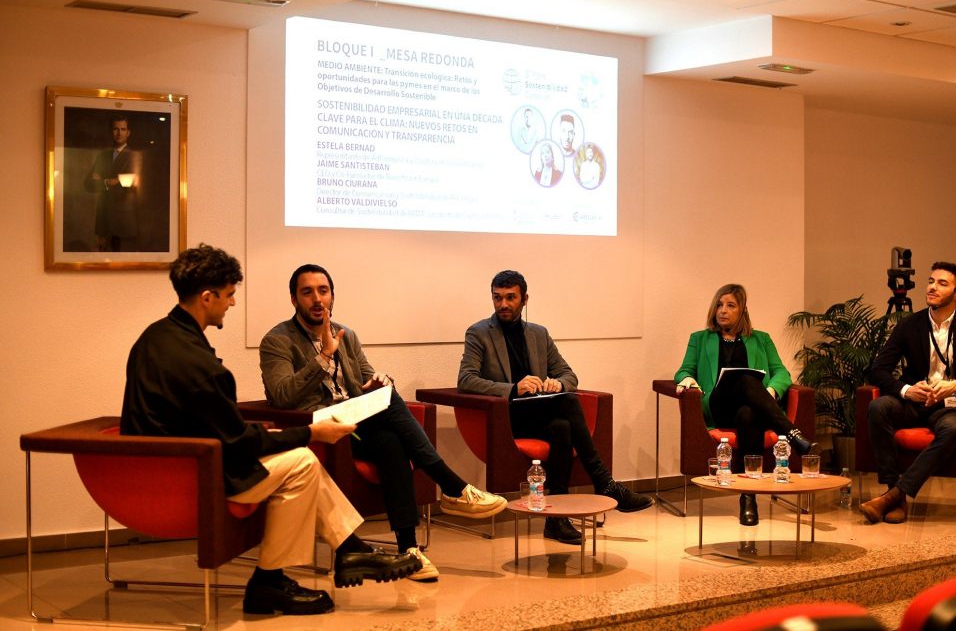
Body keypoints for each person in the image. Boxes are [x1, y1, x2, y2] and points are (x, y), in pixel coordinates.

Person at [121, 245, 421, 617]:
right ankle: (278, 577)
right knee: (302, 464)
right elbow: (239, 442)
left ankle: (342, 553)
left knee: (299, 459)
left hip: (166, 462)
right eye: (229, 295)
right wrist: (311, 433)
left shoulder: (156, 337)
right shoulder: (199, 364)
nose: (232, 303)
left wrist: (288, 435)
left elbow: (219, 429)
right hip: (189, 474)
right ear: (207, 297)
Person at [260, 264, 507, 581]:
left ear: (333, 295)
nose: (317, 299)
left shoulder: (345, 334)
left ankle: (409, 549)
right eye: (307, 292)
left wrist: (378, 382)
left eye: (323, 291)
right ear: (294, 299)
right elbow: (282, 396)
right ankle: (452, 486)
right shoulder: (277, 340)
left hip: (355, 424)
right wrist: (322, 358)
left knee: (391, 438)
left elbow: (366, 378)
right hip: (320, 427)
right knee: (389, 403)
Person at [457, 270, 652, 545]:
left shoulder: (538, 334)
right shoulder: (478, 333)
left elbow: (569, 375)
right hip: (506, 417)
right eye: (497, 298)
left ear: (525, 299)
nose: (503, 304)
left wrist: (558, 384)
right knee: (569, 402)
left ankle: (556, 520)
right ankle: (605, 483)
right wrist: (513, 388)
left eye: (510, 298)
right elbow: (466, 379)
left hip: (539, 413)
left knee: (562, 427)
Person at [861, 262, 956, 525]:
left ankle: (893, 497)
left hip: (951, 405)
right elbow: (877, 370)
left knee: (955, 428)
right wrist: (907, 390)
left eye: (942, 283)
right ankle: (895, 493)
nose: (932, 287)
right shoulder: (909, 324)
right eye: (931, 281)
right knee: (878, 407)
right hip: (913, 403)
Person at [673, 283, 815, 526]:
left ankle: (748, 498)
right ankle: (791, 433)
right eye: (719, 305)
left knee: (748, 414)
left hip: (752, 410)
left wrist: (770, 391)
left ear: (743, 310)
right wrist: (687, 379)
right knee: (746, 379)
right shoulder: (700, 339)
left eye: (730, 305)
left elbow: (781, 373)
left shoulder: (761, 339)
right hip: (718, 406)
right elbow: (684, 370)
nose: (723, 310)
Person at [83, 114, 142, 252]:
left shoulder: (134, 156)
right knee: (103, 260)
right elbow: (88, 184)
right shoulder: (103, 156)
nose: (119, 133)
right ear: (111, 131)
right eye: (116, 129)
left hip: (123, 223)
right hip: (103, 221)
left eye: (123, 129)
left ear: (128, 132)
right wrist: (110, 181)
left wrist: (102, 180)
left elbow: (129, 183)